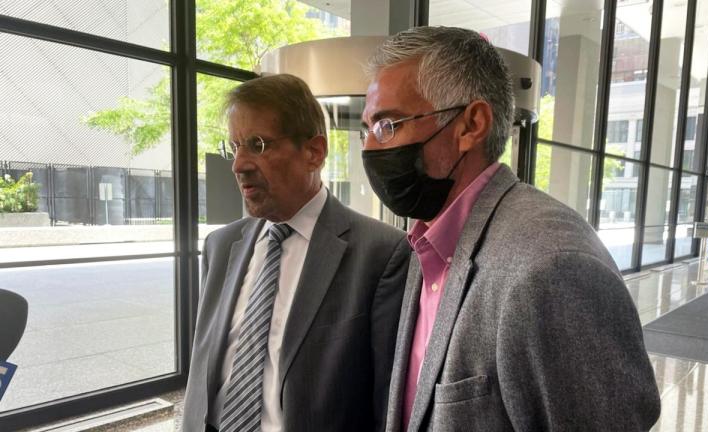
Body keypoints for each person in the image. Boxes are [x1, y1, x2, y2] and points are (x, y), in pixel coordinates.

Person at [360, 26, 661, 431]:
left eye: (388, 126)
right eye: (368, 130)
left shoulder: (553, 268)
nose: (370, 148)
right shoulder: (426, 244)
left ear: (471, 125)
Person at [182, 74, 410, 432]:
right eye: (234, 146)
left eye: (257, 145)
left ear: (313, 152)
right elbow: (202, 374)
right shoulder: (220, 246)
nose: (238, 165)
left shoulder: (381, 254)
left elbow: (386, 401)